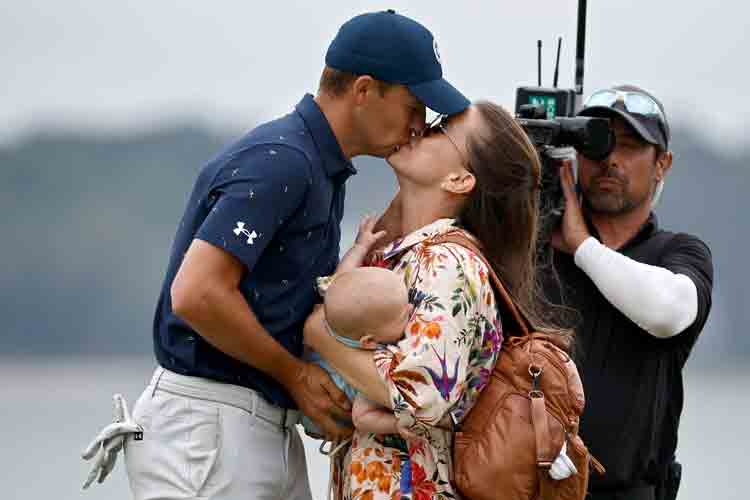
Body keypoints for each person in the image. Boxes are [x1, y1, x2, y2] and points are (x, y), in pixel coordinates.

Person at [82, 9, 471, 500]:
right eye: (414, 106)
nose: (420, 125)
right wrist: (296, 374)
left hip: (246, 425)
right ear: (365, 90)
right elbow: (196, 294)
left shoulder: (312, 164)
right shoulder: (285, 161)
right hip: (210, 426)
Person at [304, 101, 572, 499]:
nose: (421, 127)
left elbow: (421, 395)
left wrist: (320, 331)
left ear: (460, 180)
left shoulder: (448, 263)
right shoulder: (412, 255)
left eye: (441, 129)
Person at [543, 85, 714, 500]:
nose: (611, 159)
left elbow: (666, 313)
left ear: (662, 164)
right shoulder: (534, 250)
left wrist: (583, 247)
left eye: (632, 145)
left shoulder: (679, 253)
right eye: (597, 143)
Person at [301, 216, 414, 440]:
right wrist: (395, 424)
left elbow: (339, 280)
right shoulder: (364, 365)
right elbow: (361, 417)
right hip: (323, 414)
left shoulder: (337, 306)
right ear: (369, 341)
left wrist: (360, 247)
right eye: (403, 315)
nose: (411, 309)